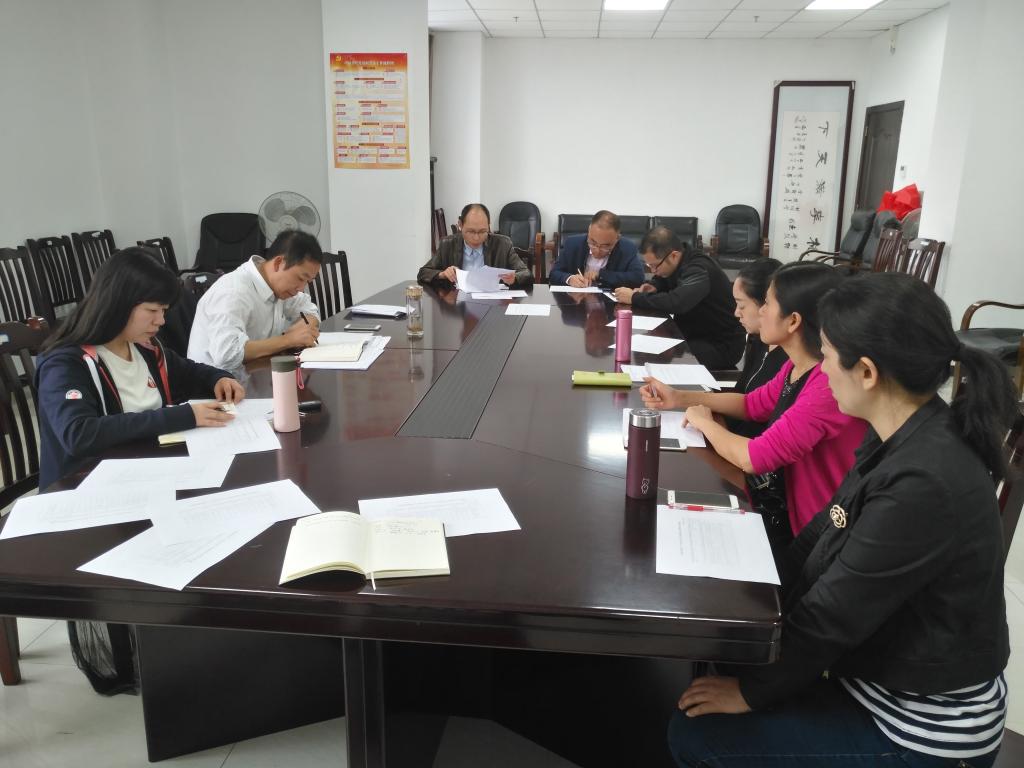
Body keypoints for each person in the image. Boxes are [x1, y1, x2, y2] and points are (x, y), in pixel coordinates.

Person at [667, 272, 1016, 768]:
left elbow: (832, 616)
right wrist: (762, 581)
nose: (823, 370)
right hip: (875, 676)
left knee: (699, 737)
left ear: (867, 372)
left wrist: (751, 692)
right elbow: (825, 531)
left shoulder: (924, 481)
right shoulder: (901, 431)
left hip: (919, 727)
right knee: (727, 652)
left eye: (828, 355)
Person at [642, 262, 865, 549]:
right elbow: (751, 404)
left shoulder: (825, 386)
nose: (760, 311)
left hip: (814, 534)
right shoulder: (796, 367)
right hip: (785, 505)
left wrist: (705, 423)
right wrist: (678, 397)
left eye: (767, 304)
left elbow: (753, 457)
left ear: (793, 321)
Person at [35, 249, 245, 490]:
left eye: (164, 311)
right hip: (88, 487)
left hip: (146, 472)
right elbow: (80, 434)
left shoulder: (143, 347)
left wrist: (219, 378)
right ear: (118, 303)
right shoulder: (65, 363)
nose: (161, 321)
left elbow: (190, 372)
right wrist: (184, 416)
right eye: (153, 310)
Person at [187, 229, 322, 370]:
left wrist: (306, 326)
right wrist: (288, 340)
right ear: (278, 263)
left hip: (256, 373)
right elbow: (227, 354)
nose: (301, 288)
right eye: (300, 278)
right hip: (217, 381)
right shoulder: (233, 291)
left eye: (308, 281)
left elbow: (308, 309)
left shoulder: (278, 286)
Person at [615, 227, 744, 370]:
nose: (652, 271)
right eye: (649, 265)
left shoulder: (699, 269)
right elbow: (665, 278)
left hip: (720, 344)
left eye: (655, 265)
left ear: (674, 256)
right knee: (645, 352)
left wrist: (635, 298)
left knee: (660, 362)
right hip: (693, 333)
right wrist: (655, 286)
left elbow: (677, 302)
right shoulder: (681, 260)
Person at [728, 258, 787, 437]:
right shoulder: (758, 339)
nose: (736, 313)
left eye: (742, 305)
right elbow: (742, 394)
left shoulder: (792, 359)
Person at [417, 203, 533, 288]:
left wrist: (514, 278)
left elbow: (526, 273)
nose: (476, 238)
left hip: (492, 305)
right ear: (460, 225)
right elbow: (423, 273)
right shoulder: (447, 244)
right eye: (471, 231)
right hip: (457, 305)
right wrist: (442, 274)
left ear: (488, 226)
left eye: (482, 231)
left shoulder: (503, 244)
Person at [548, 210, 644, 289]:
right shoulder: (572, 244)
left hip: (610, 303)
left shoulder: (627, 248)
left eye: (605, 246)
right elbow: (554, 274)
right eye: (593, 243)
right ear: (589, 231)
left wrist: (601, 275)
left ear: (617, 238)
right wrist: (569, 279)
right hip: (576, 301)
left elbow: (638, 278)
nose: (597, 251)